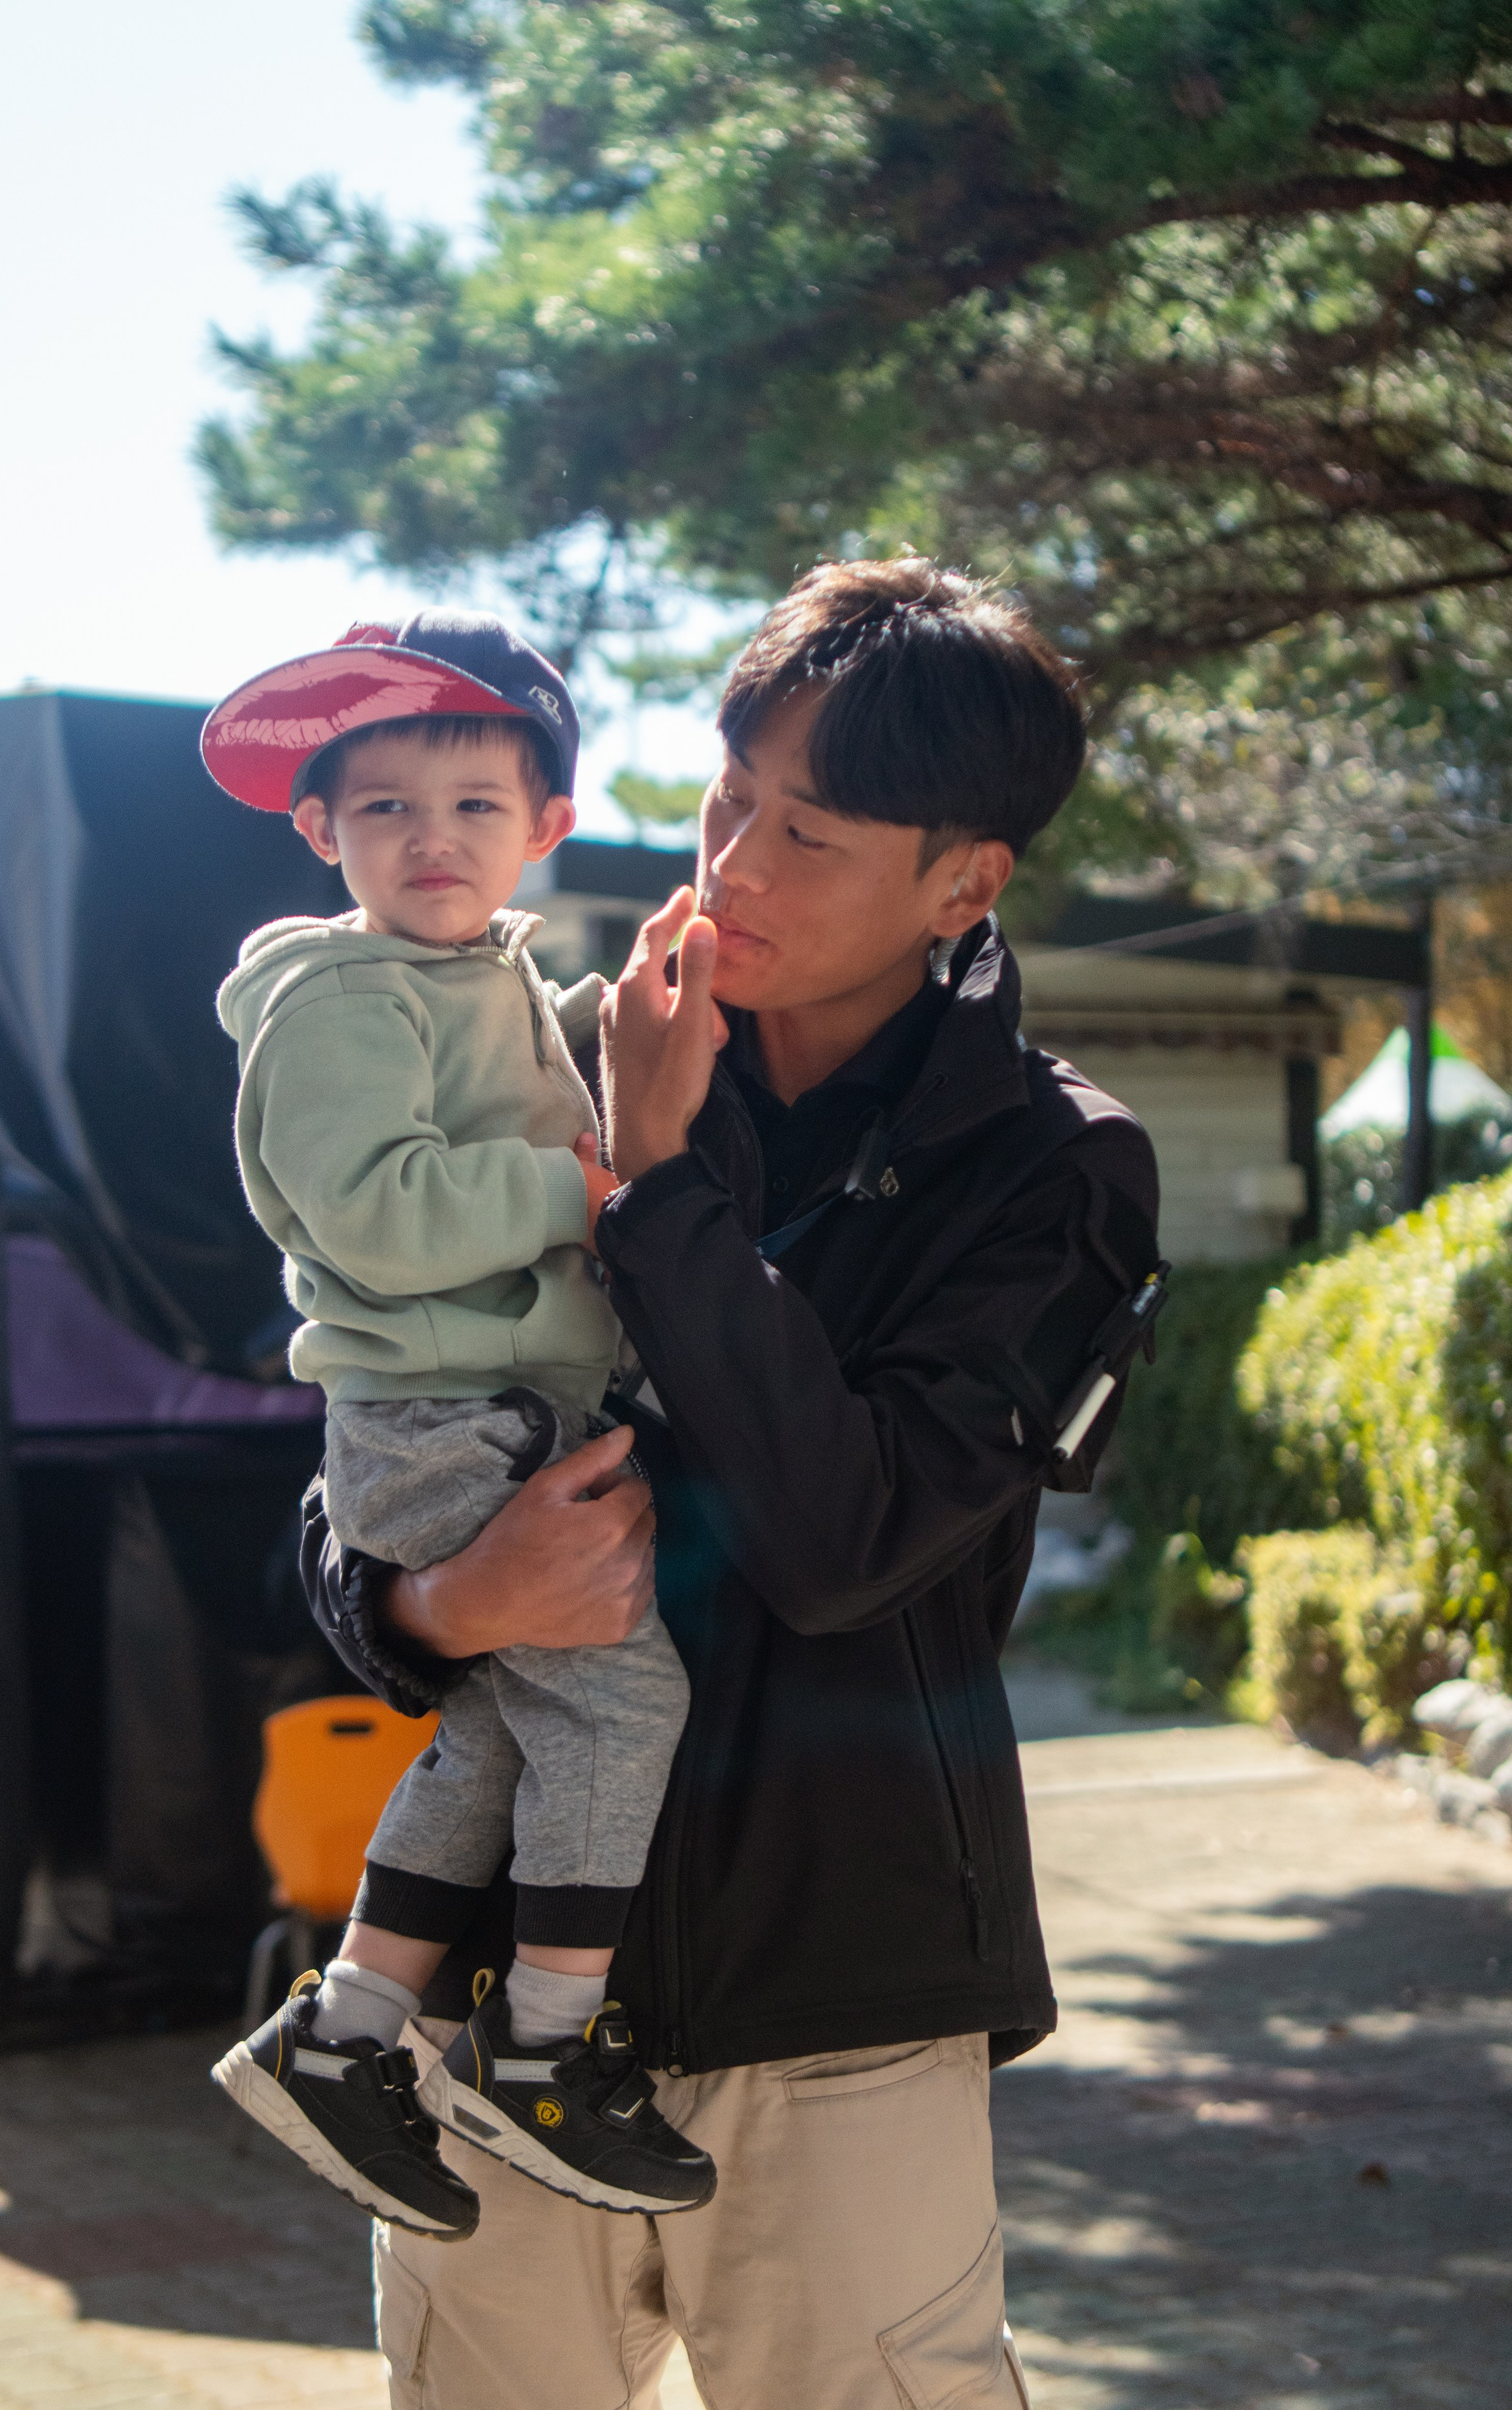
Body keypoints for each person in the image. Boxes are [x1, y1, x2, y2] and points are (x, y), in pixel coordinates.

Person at [302, 559, 1165, 2409]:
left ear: (963, 882)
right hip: (492, 2000)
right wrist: (438, 1605)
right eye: (728, 797)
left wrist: (659, 1175)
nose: (739, 862)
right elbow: (362, 1449)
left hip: (842, 2002)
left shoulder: (1054, 1169)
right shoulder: (530, 1048)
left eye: (813, 832)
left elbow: (845, 1541)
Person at [200, 613, 715, 2241]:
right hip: (434, 1417)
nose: (433, 840)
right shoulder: (342, 998)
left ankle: (344, 2036)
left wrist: (605, 1031)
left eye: (476, 807)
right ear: (319, 830)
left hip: (492, 1404)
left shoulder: (470, 972)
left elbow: (512, 1082)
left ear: (544, 828)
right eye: (387, 810)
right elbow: (379, 1216)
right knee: (626, 1705)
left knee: (502, 1733)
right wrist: (582, 1183)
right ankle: (543, 2054)